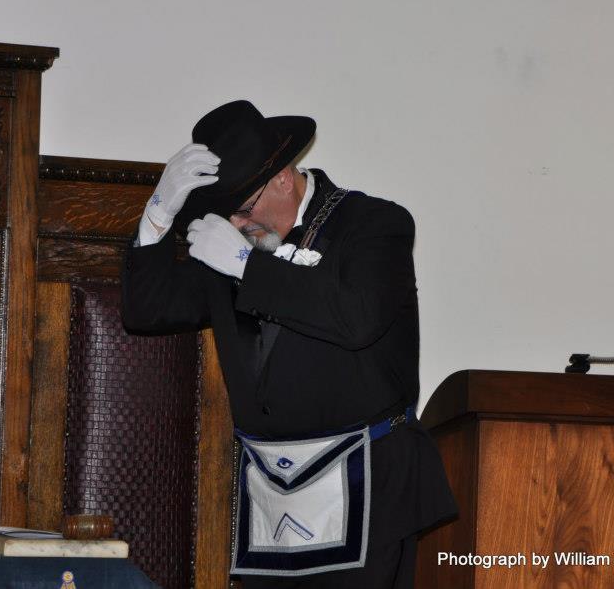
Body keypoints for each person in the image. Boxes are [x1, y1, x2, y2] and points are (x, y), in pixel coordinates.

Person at [122, 100, 456, 588]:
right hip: (273, 495)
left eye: (241, 208)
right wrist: (157, 217)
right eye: (224, 214)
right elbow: (146, 312)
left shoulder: (374, 225)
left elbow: (356, 319)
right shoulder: (236, 243)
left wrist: (246, 266)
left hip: (370, 485)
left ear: (282, 177)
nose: (235, 225)